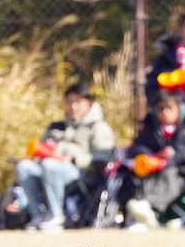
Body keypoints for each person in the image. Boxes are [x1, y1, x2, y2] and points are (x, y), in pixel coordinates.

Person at [15, 83, 116, 233]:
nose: (73, 106)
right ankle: (37, 214)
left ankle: (56, 216)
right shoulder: (56, 126)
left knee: (50, 165)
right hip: (49, 168)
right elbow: (40, 151)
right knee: (23, 166)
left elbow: (104, 156)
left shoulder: (98, 126)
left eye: (78, 102)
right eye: (70, 102)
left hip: (81, 174)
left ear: (88, 104)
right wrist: (41, 157)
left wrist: (75, 159)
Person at [123, 93, 185, 228]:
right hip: (155, 168)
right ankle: (144, 218)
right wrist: (150, 156)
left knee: (170, 172)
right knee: (139, 172)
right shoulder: (150, 126)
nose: (165, 112)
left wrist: (177, 156)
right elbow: (137, 147)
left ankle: (148, 207)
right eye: (160, 108)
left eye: (169, 108)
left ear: (179, 108)